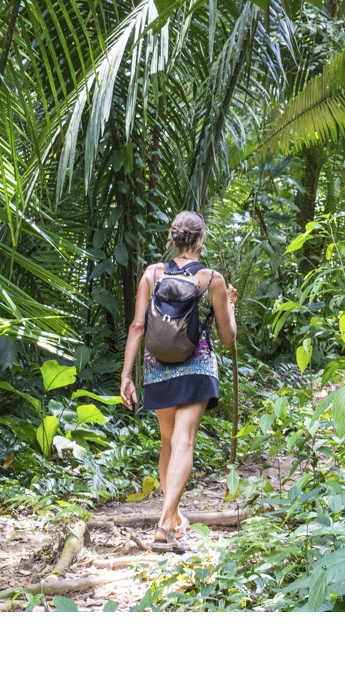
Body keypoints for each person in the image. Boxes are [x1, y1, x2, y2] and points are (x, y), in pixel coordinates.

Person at [120, 210, 237, 551]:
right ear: (201, 240)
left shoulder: (151, 274)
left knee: (169, 443)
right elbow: (228, 339)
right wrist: (229, 306)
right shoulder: (212, 279)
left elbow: (137, 327)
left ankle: (171, 519)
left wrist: (127, 375)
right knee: (184, 442)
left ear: (173, 239)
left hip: (157, 369)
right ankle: (164, 523)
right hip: (196, 367)